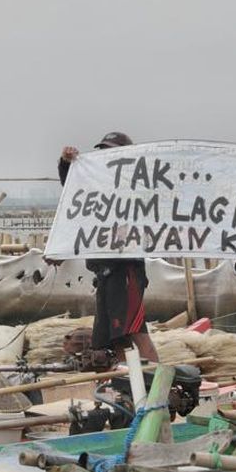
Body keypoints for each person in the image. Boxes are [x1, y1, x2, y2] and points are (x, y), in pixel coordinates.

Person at [56, 132, 159, 363]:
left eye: (111, 151)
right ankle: (124, 384)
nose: (105, 155)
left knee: (136, 332)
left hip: (126, 272)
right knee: (112, 338)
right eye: (103, 151)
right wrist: (65, 163)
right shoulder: (97, 186)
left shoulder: (136, 188)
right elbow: (72, 188)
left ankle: (158, 387)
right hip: (104, 272)